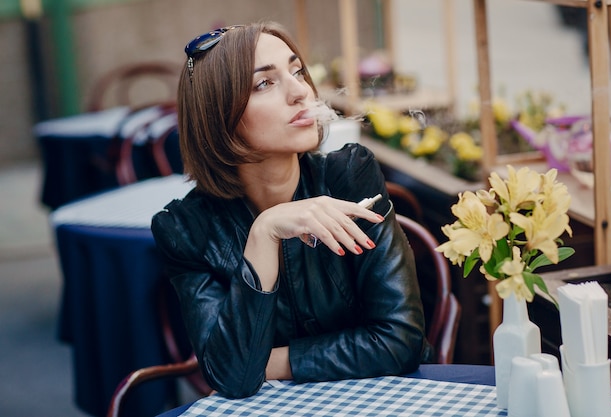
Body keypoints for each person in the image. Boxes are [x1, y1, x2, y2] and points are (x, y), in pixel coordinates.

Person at [151, 21, 433, 399]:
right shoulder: (186, 230)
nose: (301, 91)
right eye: (265, 83)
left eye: (298, 71)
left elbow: (401, 340)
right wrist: (264, 232)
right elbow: (233, 379)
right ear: (218, 118)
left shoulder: (347, 176)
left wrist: (267, 362)